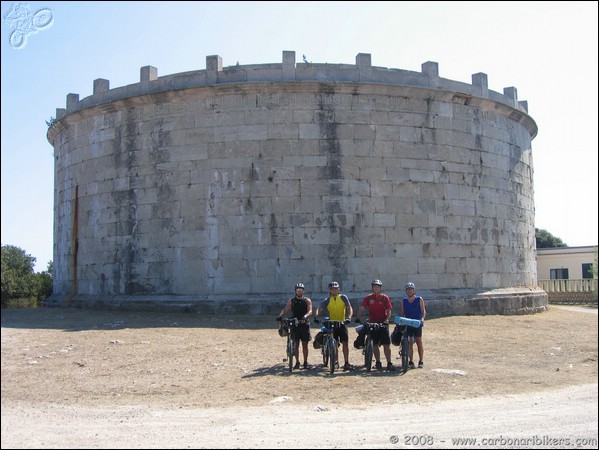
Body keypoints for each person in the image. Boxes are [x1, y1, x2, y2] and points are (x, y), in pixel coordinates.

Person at [354, 279, 395, 371]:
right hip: (372, 322)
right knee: (375, 343)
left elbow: (388, 310)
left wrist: (386, 320)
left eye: (378, 287)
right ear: (372, 288)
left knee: (386, 344)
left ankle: (389, 363)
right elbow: (362, 307)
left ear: (380, 288)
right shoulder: (368, 298)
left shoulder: (385, 298)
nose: (376, 288)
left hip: (383, 322)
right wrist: (357, 317)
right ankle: (378, 362)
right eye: (374, 287)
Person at [316, 281, 354, 371]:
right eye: (332, 289)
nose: (334, 291)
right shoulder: (327, 300)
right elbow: (319, 308)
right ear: (329, 290)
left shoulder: (343, 297)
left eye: (336, 289)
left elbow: (349, 308)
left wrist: (349, 317)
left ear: (338, 289)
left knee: (345, 343)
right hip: (332, 324)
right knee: (335, 344)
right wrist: (316, 316)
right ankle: (335, 361)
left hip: (342, 323)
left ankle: (346, 362)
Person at [276, 283, 313, 370]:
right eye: (298, 290)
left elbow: (310, 310)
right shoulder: (292, 301)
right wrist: (280, 316)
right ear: (295, 291)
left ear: (303, 291)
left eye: (301, 290)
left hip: (304, 323)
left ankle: (305, 362)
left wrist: (305, 317)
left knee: (305, 344)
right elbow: (285, 310)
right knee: (296, 344)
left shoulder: (307, 300)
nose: (299, 292)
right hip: (295, 323)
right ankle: (297, 362)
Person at [399, 282, 426, 369]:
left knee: (419, 342)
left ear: (414, 290)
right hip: (408, 323)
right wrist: (400, 320)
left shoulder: (419, 299)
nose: (409, 291)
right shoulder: (404, 301)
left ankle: (421, 360)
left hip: (417, 323)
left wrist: (422, 318)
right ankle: (410, 361)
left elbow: (423, 311)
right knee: (410, 342)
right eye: (407, 289)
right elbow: (402, 312)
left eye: (411, 289)